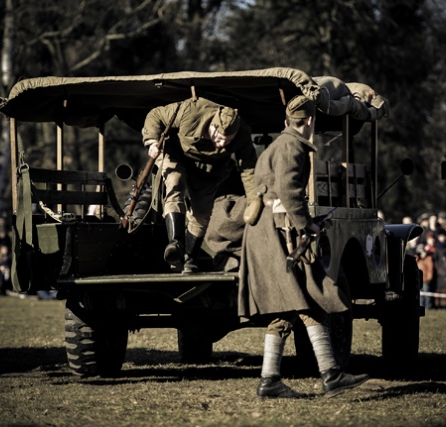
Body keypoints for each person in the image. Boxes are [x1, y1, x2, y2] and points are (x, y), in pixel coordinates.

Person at [238, 95, 368, 399]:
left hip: (272, 233)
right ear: (310, 121)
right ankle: (330, 375)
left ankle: (275, 379)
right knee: (310, 298)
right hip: (281, 234)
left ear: (287, 122)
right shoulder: (291, 146)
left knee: (295, 304)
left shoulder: (277, 145)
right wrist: (305, 224)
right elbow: (288, 189)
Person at [142, 97, 257, 273]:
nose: (221, 144)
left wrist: (253, 200)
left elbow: (248, 169)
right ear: (212, 125)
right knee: (175, 182)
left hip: (209, 168)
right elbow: (155, 114)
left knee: (203, 213)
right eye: (218, 138)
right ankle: (175, 244)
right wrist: (151, 140)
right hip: (175, 153)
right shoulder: (192, 110)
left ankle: (188, 257)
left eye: (227, 141)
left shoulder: (242, 134)